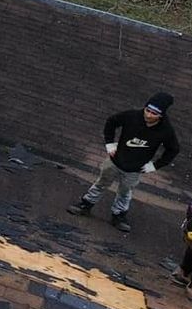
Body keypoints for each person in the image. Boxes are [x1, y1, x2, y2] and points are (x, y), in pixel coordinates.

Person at [67, 93, 178, 233]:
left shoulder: (166, 130)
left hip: (135, 168)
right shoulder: (132, 116)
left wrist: (155, 165)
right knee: (101, 183)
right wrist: (110, 144)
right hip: (115, 161)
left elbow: (173, 149)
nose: (149, 115)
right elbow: (111, 122)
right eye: (147, 110)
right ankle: (85, 204)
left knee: (125, 192)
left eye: (154, 113)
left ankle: (118, 215)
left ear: (161, 115)